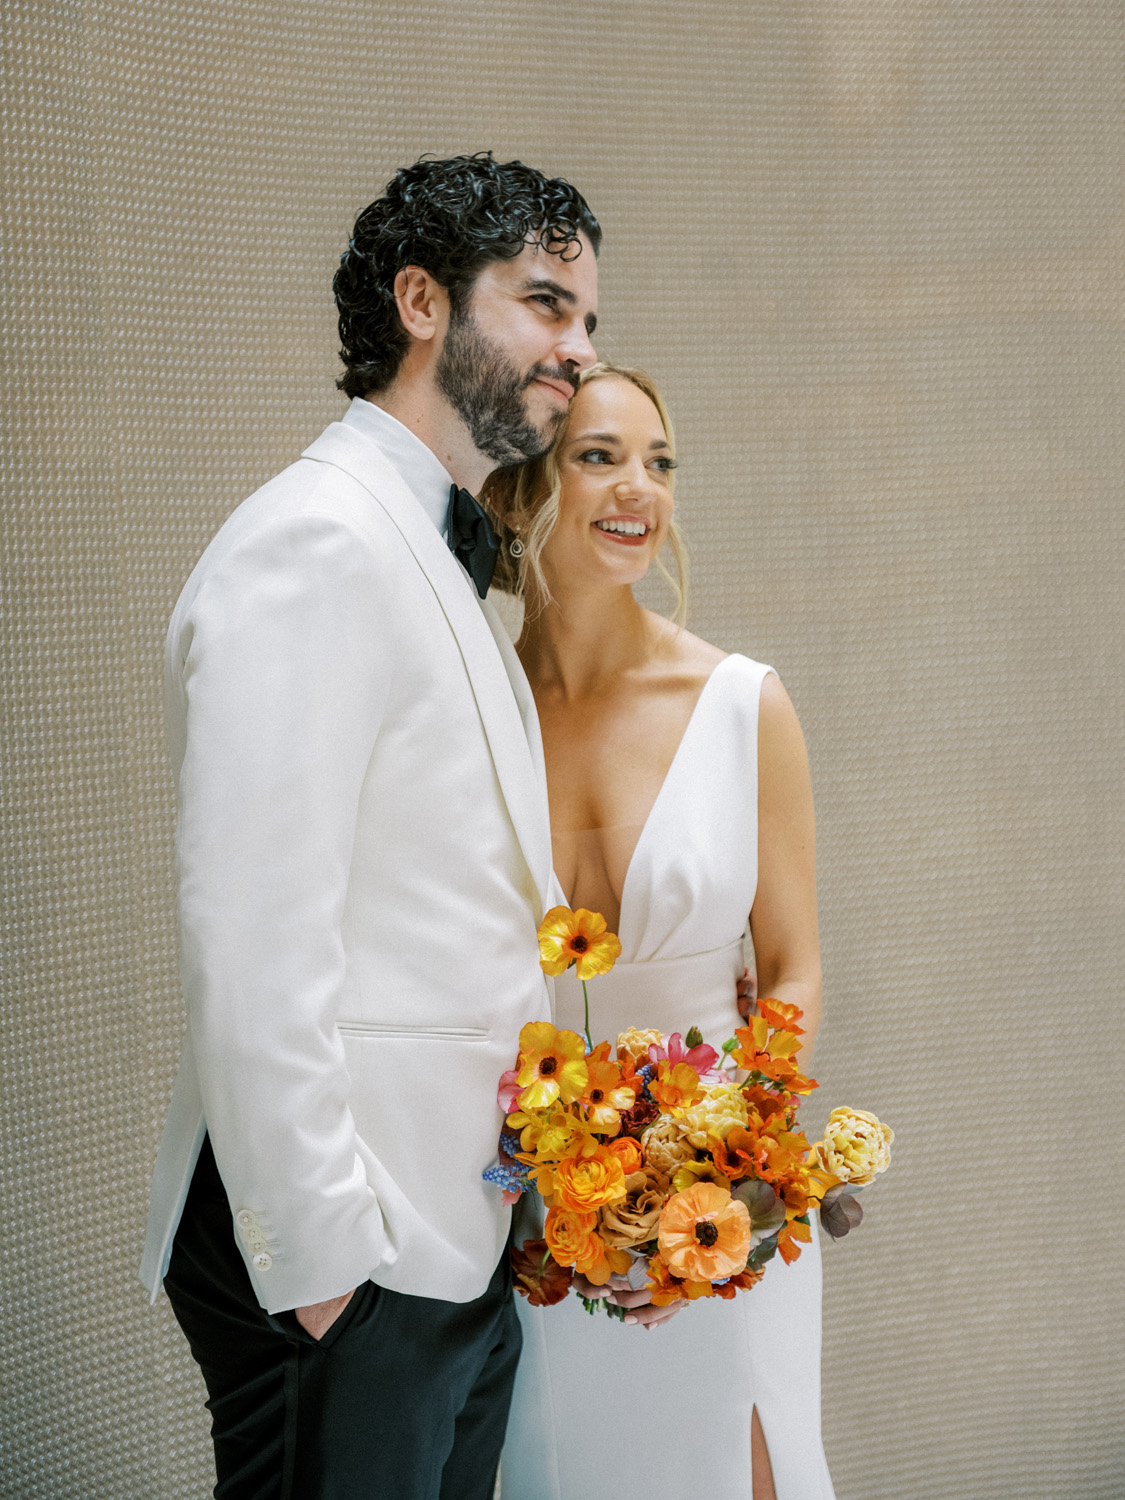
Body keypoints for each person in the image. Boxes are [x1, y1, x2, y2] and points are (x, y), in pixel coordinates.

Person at [138, 153, 600, 1499]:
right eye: (544, 305)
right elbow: (253, 932)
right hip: (348, 1264)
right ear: (420, 302)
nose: (576, 351)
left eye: (588, 321)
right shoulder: (315, 543)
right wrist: (330, 1269)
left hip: (450, 1241)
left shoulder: (435, 550)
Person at [484, 362, 835, 1499]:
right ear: (518, 490)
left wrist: (728, 1184)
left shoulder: (742, 705)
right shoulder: (469, 715)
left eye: (660, 462)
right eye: (599, 457)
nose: (641, 488)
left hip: (714, 1197)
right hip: (531, 1212)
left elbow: (793, 965)